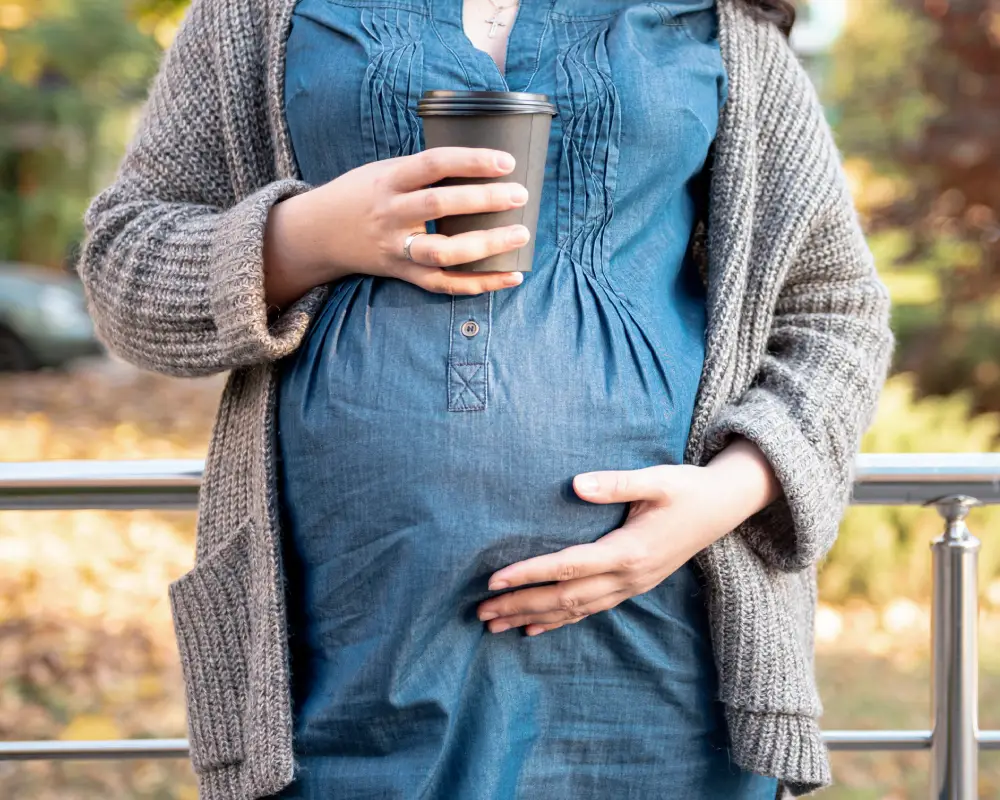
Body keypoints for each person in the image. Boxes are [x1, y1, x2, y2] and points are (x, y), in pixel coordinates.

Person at [79, 0, 895, 797]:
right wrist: (311, 234)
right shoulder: (253, 16)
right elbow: (123, 267)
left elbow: (835, 312)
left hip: (661, 649)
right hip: (351, 646)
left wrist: (728, 493)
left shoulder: (720, 24)